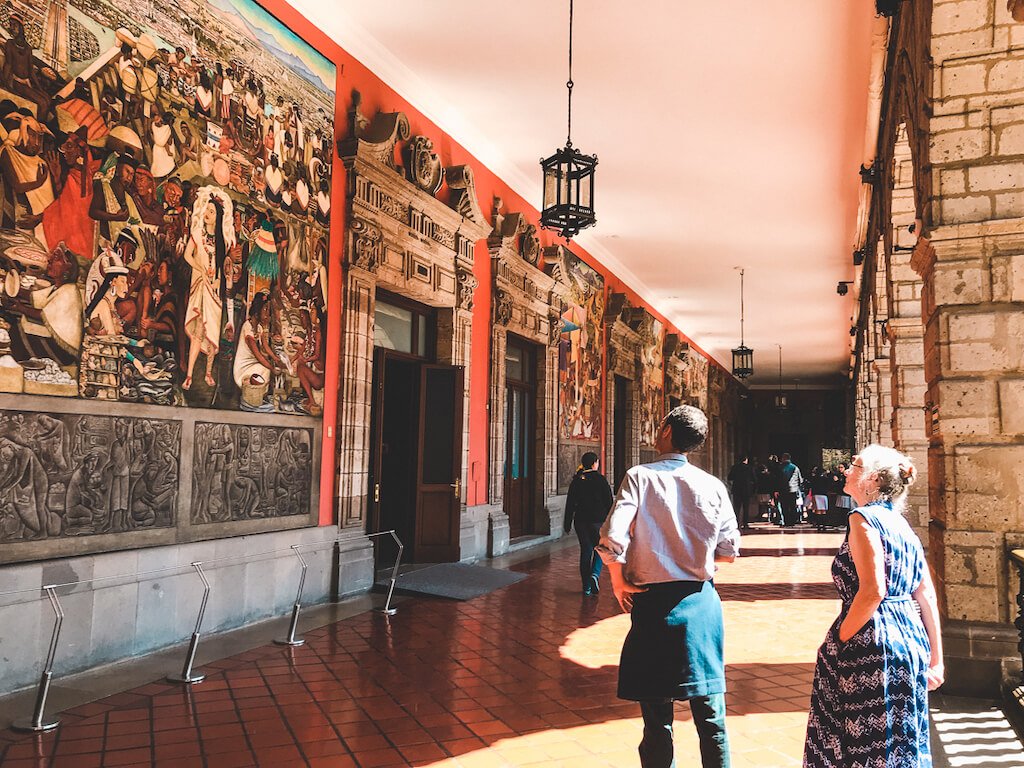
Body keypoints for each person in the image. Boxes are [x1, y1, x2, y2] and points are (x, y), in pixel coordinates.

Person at [597, 405, 740, 768]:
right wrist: (694, 557)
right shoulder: (714, 485)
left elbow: (612, 537)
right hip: (701, 605)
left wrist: (618, 580)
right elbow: (729, 552)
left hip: (653, 606)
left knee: (657, 721)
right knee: (712, 720)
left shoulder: (639, 477)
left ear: (666, 430)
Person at [804, 444, 943, 768]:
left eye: (855, 465)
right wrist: (936, 659)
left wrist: (840, 639)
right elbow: (927, 594)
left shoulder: (862, 518)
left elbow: (872, 591)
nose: (846, 469)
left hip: (873, 643)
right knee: (902, 740)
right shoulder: (902, 524)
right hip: (911, 642)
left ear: (873, 480)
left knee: (863, 744)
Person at [563, 451, 614, 595]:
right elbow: (609, 502)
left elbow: (570, 503)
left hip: (581, 521)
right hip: (598, 521)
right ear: (595, 463)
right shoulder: (601, 480)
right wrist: (611, 522)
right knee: (600, 549)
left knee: (586, 551)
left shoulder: (577, 480)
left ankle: (586, 586)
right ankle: (594, 574)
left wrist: (567, 524)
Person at [727, 455, 756, 529]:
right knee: (746, 508)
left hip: (737, 490)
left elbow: (730, 477)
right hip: (746, 490)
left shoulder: (735, 467)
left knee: (736, 508)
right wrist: (753, 490)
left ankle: (736, 523)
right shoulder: (749, 468)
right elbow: (754, 479)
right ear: (746, 460)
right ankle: (745, 524)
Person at [778, 453, 803, 526]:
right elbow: (800, 480)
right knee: (792, 506)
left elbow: (777, 480)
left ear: (783, 458)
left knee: (784, 506)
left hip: (783, 490)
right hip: (793, 490)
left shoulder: (780, 467)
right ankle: (792, 522)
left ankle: (786, 522)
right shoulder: (795, 467)